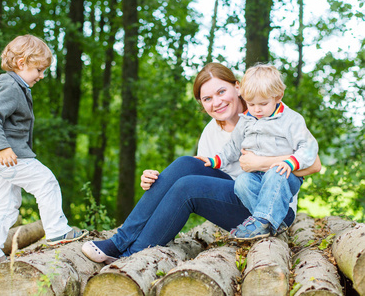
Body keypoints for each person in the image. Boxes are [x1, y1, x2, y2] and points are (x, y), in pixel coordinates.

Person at [81, 62, 321, 264]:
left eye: (221, 92)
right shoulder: (210, 132)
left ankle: (132, 255)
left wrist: (260, 162)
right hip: (238, 197)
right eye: (207, 98)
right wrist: (158, 181)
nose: (216, 102)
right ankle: (120, 240)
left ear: (238, 88)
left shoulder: (271, 111)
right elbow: (202, 176)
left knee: (188, 188)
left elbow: (314, 164)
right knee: (186, 165)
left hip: (271, 208)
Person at [0, 35, 88, 267]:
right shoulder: (9, 85)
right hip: (3, 154)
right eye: (39, 69)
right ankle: (57, 231)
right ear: (21, 63)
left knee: (6, 203)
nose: (42, 75)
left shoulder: (17, 85)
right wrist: (3, 147)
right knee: (45, 181)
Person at [195, 64, 318, 240]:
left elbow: (309, 147)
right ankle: (271, 223)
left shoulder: (291, 120)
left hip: (283, 177)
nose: (257, 109)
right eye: (251, 104)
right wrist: (216, 160)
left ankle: (262, 221)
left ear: (278, 96)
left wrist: (290, 162)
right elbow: (232, 147)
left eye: (263, 104)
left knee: (275, 173)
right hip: (256, 177)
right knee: (242, 182)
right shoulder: (246, 120)